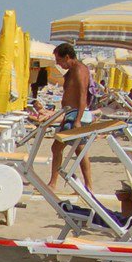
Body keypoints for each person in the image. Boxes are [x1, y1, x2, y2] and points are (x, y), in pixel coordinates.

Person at [42, 43, 93, 193]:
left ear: (67, 57)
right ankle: (87, 187)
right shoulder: (73, 70)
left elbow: (83, 94)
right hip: (71, 115)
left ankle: (54, 183)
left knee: (62, 148)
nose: (57, 63)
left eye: (59, 60)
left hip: (77, 116)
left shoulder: (79, 70)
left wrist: (77, 119)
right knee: (76, 151)